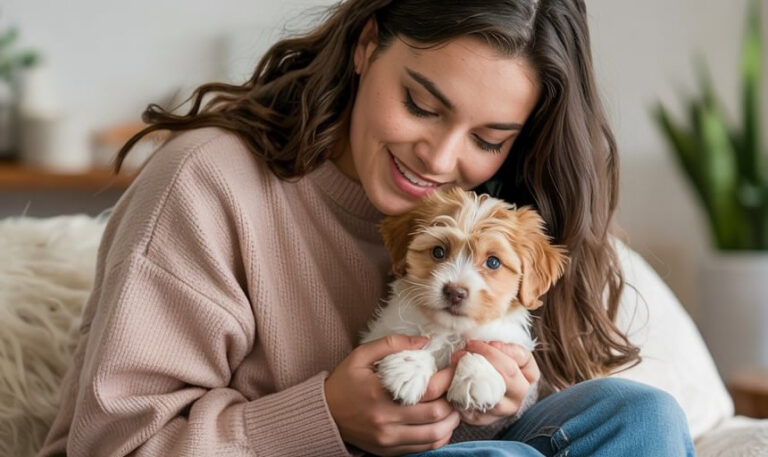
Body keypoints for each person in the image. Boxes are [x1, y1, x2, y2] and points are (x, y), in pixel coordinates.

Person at [38, 1, 695, 456]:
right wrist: (324, 414)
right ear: (365, 44)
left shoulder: (489, 212)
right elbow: (113, 444)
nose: (440, 160)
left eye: (489, 138)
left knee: (644, 415)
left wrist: (504, 397)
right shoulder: (209, 184)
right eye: (421, 104)